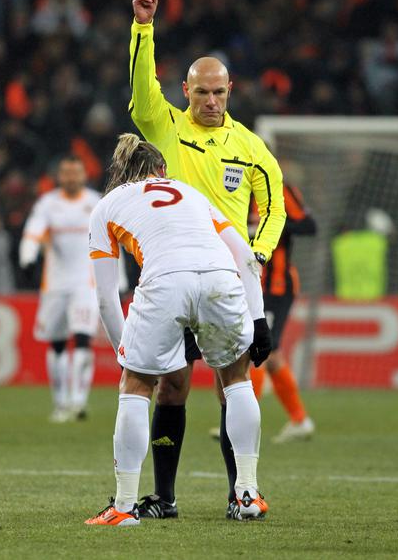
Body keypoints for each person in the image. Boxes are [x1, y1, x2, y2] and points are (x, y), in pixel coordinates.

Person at [128, 0, 286, 520]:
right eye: (201, 93)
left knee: (231, 384)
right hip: (173, 273)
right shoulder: (166, 126)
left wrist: (258, 255)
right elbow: (141, 90)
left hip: (225, 279)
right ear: (186, 91)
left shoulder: (251, 147)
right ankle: (164, 498)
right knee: (171, 386)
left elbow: (275, 208)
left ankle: (242, 493)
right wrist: (143, 26)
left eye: (219, 92)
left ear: (231, 90)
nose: (211, 102)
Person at [85, 133, 272, 526]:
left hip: (165, 280)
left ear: (121, 172)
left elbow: (105, 298)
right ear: (162, 169)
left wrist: (125, 355)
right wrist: (258, 319)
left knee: (136, 386)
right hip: (220, 277)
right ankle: (247, 494)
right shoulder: (191, 194)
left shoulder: (107, 205)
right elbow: (245, 254)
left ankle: (124, 507)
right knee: (236, 380)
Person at [19, 155, 100, 422]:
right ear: (59, 176)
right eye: (66, 173)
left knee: (83, 338)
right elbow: (33, 232)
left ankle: (78, 402)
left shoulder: (96, 202)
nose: (71, 177)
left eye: (75, 172)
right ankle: (61, 402)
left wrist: (119, 280)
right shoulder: (48, 203)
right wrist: (27, 257)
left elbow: (112, 241)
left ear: (84, 175)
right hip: (54, 284)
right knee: (57, 344)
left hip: (85, 284)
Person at [251, 183, 317, 443]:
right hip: (252, 284)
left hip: (277, 286)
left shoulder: (278, 188)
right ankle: (299, 419)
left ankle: (243, 420)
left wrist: (272, 225)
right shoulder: (236, 190)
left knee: (259, 349)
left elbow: (308, 226)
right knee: (272, 354)